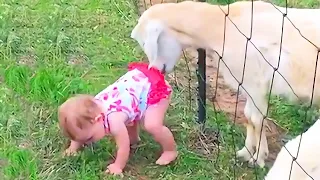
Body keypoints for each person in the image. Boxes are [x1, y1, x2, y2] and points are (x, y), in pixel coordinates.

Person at [58, 62, 177, 175]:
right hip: (136, 86)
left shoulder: (114, 121)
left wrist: (118, 166)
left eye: (90, 138)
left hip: (153, 88)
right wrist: (73, 148)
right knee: (129, 115)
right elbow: (80, 130)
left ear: (98, 119)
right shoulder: (90, 111)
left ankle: (170, 150)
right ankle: (134, 138)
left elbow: (123, 147)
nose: (89, 142)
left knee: (152, 125)